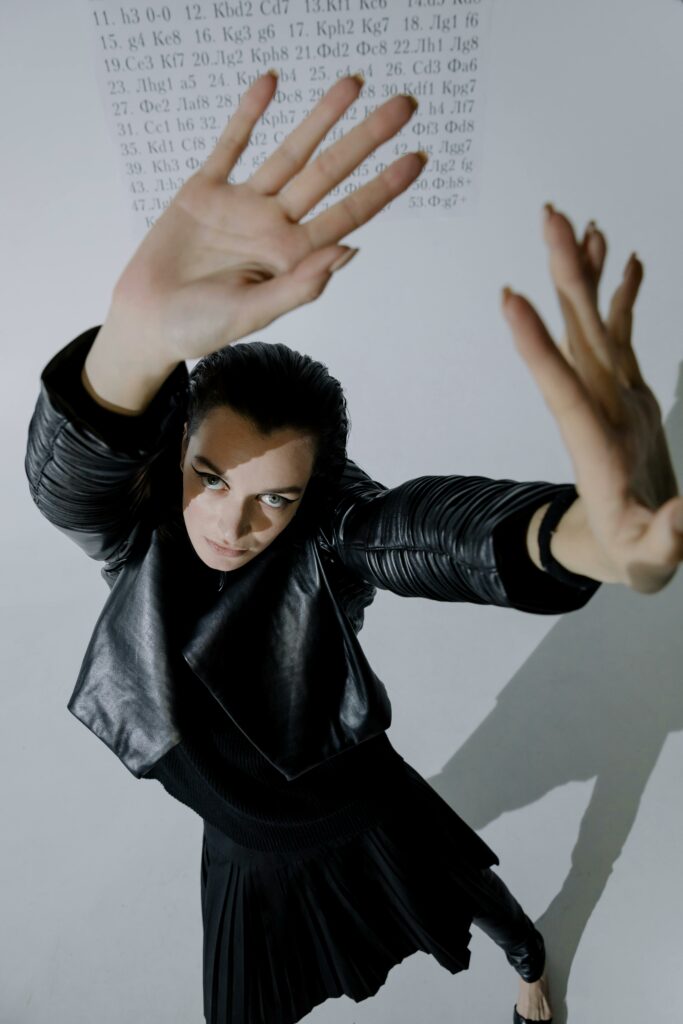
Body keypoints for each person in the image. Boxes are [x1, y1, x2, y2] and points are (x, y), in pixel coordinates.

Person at [24, 71, 682, 1024]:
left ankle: (532, 960)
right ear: (177, 454)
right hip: (241, 843)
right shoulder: (139, 523)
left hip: (357, 795)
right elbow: (68, 481)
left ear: (313, 496)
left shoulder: (333, 535)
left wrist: (576, 538)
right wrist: (131, 338)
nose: (231, 524)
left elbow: (425, 533)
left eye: (276, 498)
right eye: (211, 477)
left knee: (478, 903)